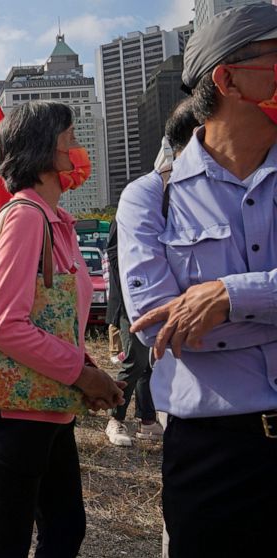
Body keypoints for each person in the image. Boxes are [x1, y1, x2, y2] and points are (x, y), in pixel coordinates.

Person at [117, 6, 277, 556]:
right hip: (210, 450)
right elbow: (155, 328)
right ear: (227, 78)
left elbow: (196, 323)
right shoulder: (150, 198)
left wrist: (230, 296)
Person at [0, 101, 125, 557]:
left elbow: (53, 322)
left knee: (65, 530)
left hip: (49, 405)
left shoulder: (58, 222)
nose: (79, 151)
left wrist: (90, 372)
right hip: (16, 414)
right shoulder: (25, 216)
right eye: (71, 141)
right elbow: (2, 323)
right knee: (8, 546)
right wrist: (83, 373)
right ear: (43, 154)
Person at [104, 98, 200, 448]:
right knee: (136, 362)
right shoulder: (144, 198)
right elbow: (151, 309)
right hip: (131, 309)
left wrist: (228, 297)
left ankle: (146, 419)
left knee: (148, 366)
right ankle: (115, 418)